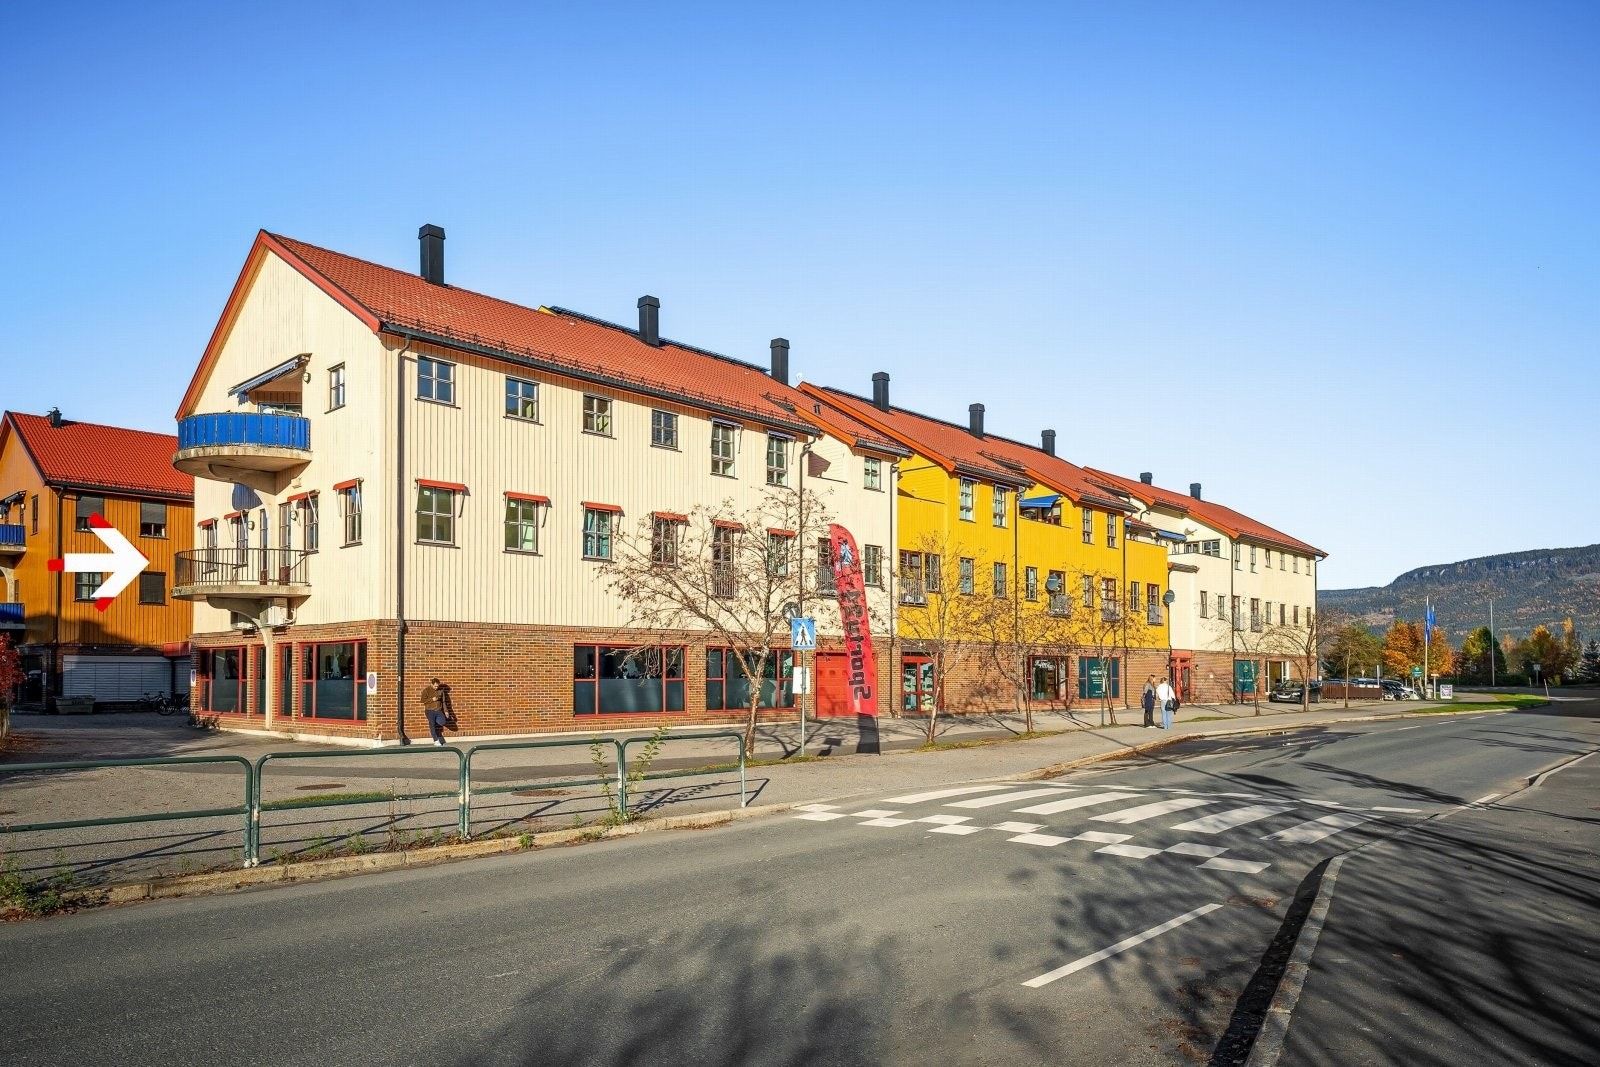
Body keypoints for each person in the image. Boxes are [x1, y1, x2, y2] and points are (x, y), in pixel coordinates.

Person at [421, 678, 448, 746]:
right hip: (430, 711)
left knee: (443, 722)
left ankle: (434, 721)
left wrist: (446, 711)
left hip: (438, 710)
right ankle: (436, 740)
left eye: (437, 686)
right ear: (431, 684)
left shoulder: (441, 691)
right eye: (435, 686)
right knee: (432, 725)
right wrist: (432, 699)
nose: (436, 687)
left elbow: (443, 702)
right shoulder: (426, 690)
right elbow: (422, 700)